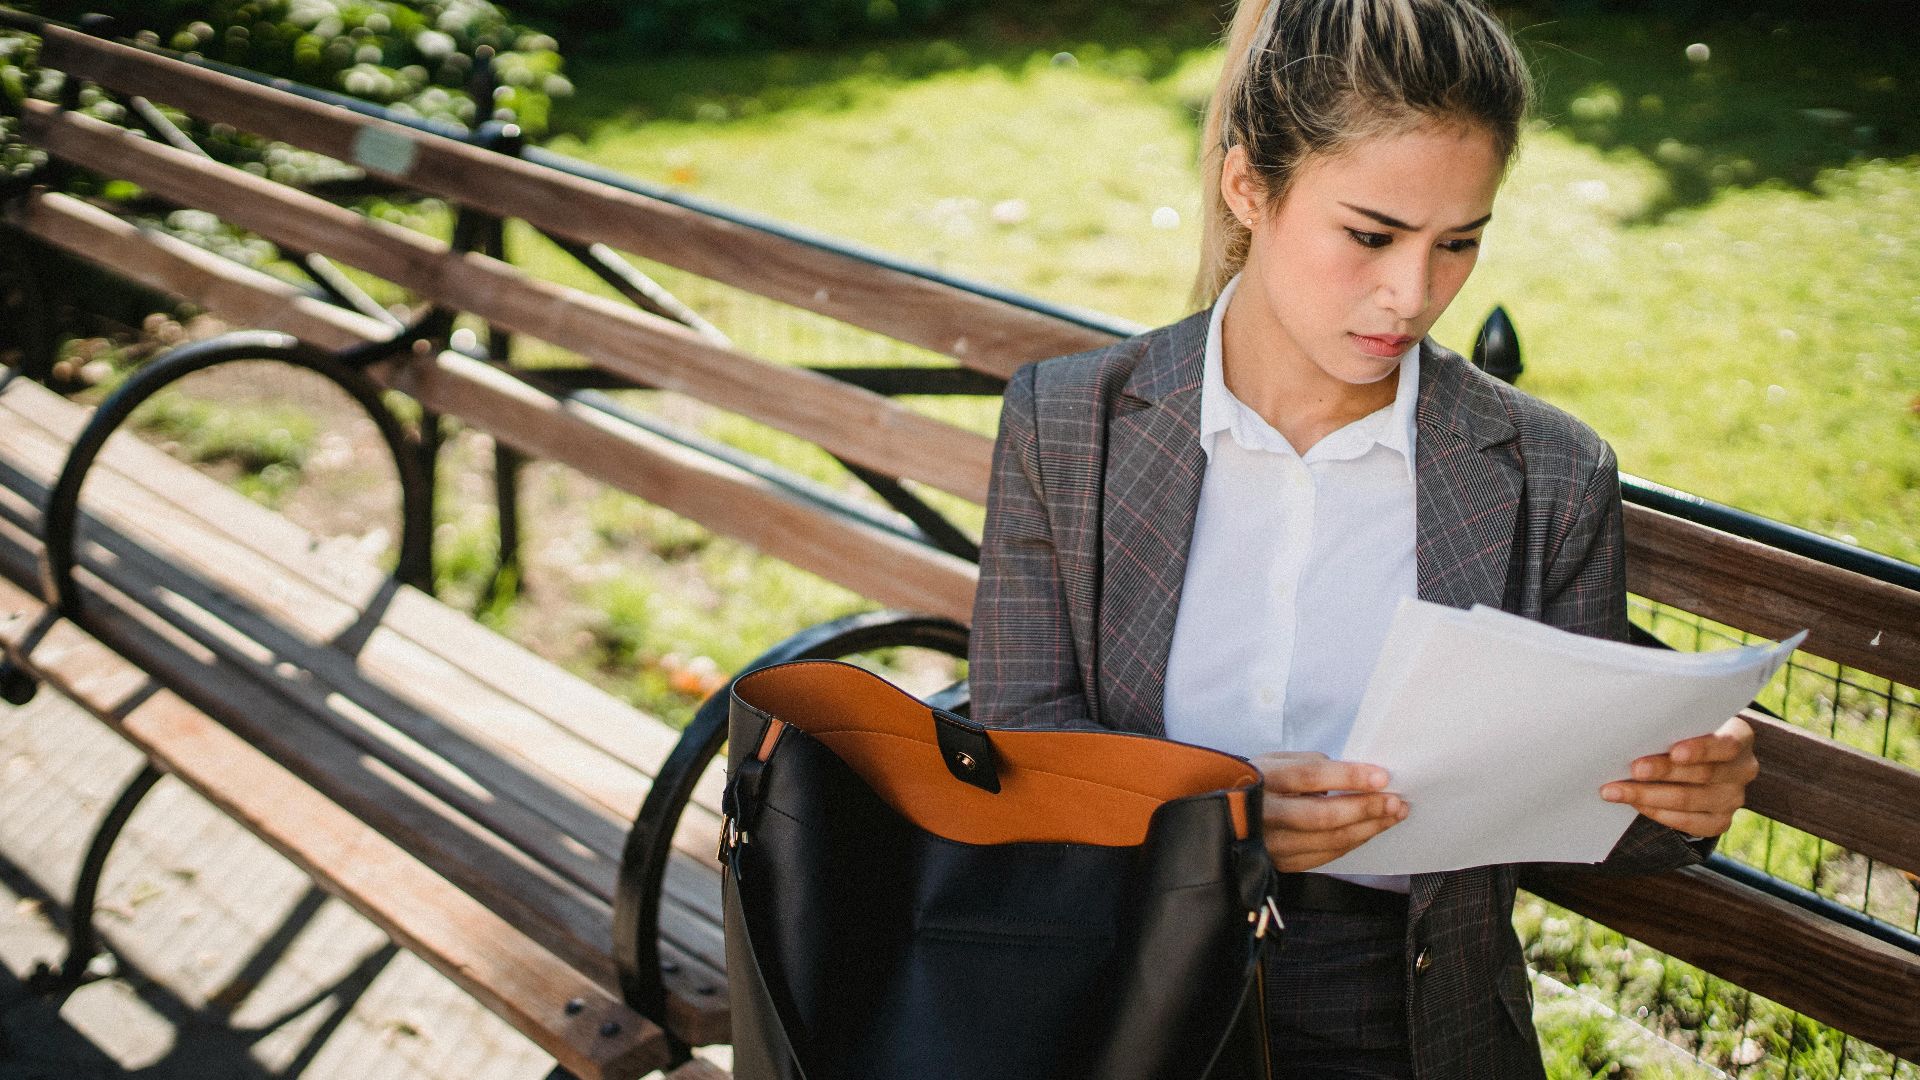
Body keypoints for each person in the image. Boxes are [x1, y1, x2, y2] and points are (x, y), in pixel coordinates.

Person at [966, 0, 1761, 1076]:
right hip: (1120, 982)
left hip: (1409, 1014)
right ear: (1248, 187)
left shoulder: (1547, 473)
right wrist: (1222, 821)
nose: (1413, 295)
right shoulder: (1070, 428)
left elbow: (1582, 798)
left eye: (1459, 244)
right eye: (1372, 236)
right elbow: (1018, 750)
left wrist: (1683, 804)